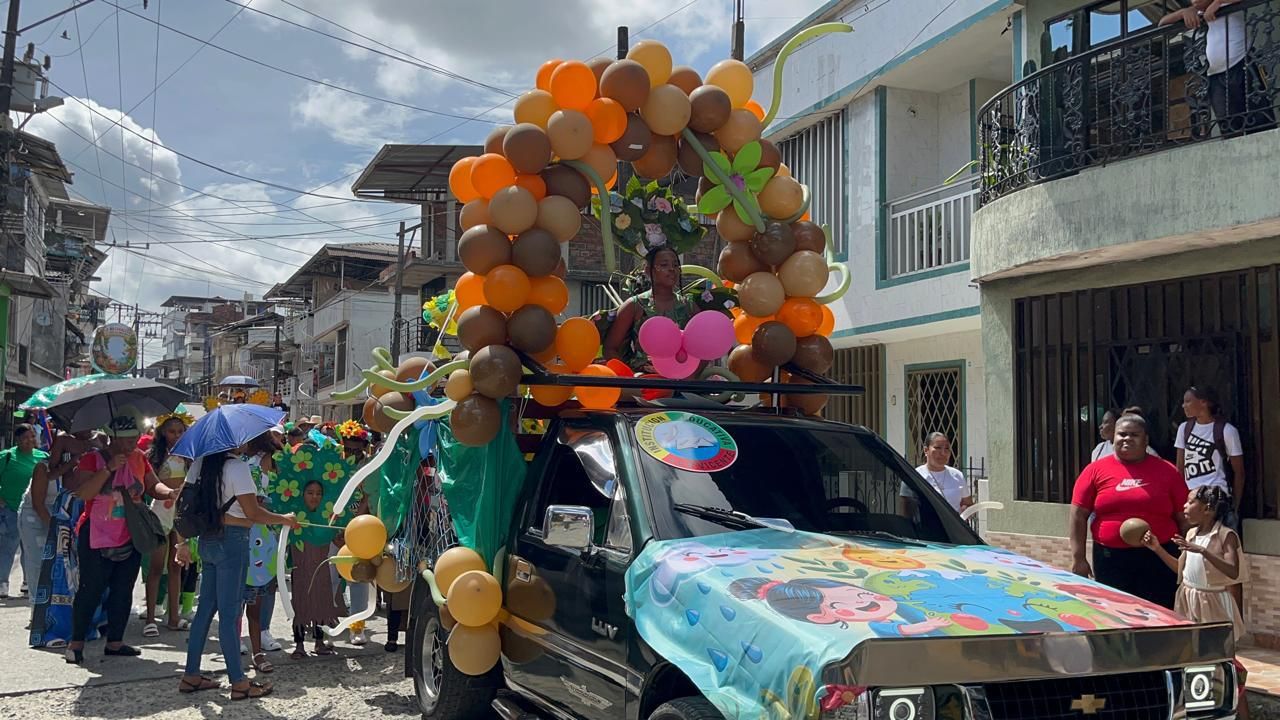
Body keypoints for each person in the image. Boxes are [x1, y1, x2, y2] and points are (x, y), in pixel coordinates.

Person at [175, 434, 298, 700]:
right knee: (230, 615)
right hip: (233, 542)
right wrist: (284, 519)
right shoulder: (237, 468)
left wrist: (182, 543)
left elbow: (182, 503)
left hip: (207, 540)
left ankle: (191, 674)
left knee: (205, 610)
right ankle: (239, 682)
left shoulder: (200, 465)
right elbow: (253, 513)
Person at [64, 413, 177, 664]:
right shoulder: (92, 459)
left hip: (130, 532)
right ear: (112, 437)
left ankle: (115, 642)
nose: (132, 443)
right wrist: (108, 469)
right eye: (126, 439)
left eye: (135, 437)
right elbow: (84, 493)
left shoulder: (139, 458)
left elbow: (152, 485)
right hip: (96, 533)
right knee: (90, 589)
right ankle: (76, 643)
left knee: (123, 589)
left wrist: (170, 492)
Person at [1069, 413, 1189, 609]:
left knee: (1159, 612)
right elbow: (1078, 515)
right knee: (1115, 612)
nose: (1127, 439)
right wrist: (1078, 558)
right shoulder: (1094, 470)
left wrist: (1187, 556)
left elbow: (1184, 518)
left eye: (1134, 435)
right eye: (1122, 434)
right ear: (1114, 437)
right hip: (1110, 557)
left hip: (1159, 555)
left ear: (1146, 440)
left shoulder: (1167, 471)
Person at [1175, 385, 1248, 609]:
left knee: (1226, 559)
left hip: (1217, 500)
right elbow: (1179, 467)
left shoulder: (1226, 430)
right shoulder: (1185, 429)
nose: (1184, 406)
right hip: (1192, 501)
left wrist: (1234, 505)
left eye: (1188, 401)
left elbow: (1239, 471)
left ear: (1204, 402)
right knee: (1190, 556)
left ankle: (1234, 616)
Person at [1161, 0, 1276, 137]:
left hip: (1243, 66)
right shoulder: (1197, 12)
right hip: (1214, 77)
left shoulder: (1225, 3)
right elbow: (1162, 24)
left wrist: (1218, 2)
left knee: (1260, 121)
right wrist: (1183, 12)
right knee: (1228, 128)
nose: (1194, 0)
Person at [602, 246, 698, 373]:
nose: (672, 269)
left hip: (680, 380)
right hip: (643, 380)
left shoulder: (689, 306)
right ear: (648, 270)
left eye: (675, 265)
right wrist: (628, 377)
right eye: (664, 265)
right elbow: (610, 349)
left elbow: (703, 347)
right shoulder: (635, 305)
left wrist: (692, 376)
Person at [142, 413, 192, 635]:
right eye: (172, 431)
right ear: (162, 432)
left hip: (180, 512)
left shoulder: (189, 456)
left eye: (180, 431)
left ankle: (173, 617)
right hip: (160, 511)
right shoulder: (153, 456)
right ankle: (150, 618)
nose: (176, 435)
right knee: (155, 567)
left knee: (176, 566)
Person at [289, 480, 346, 659]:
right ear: (302, 494)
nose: (314, 496)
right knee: (300, 604)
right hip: (300, 570)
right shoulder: (292, 517)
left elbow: (338, 541)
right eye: (310, 492)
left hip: (321, 569)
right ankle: (299, 645)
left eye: (318, 493)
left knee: (322, 602)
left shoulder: (328, 517)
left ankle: (319, 642)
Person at [243, 431, 283, 671]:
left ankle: (257, 650)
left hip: (261, 535)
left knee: (258, 596)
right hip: (237, 532)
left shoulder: (268, 457)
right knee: (235, 597)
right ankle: (236, 641)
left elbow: (267, 498)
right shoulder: (230, 461)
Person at [1, 425, 49, 597]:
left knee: (30, 548)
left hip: (34, 509)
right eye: (24, 438)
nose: (29, 441)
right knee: (7, 547)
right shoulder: (7, 456)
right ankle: (2, 583)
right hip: (10, 509)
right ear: (17, 440)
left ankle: (28, 582)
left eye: (31, 437)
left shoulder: (43, 457)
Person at [899, 432, 972, 515]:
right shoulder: (914, 476)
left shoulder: (958, 475)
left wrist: (964, 511)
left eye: (947, 448)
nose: (943, 453)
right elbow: (906, 512)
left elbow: (967, 503)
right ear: (926, 450)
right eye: (938, 448)